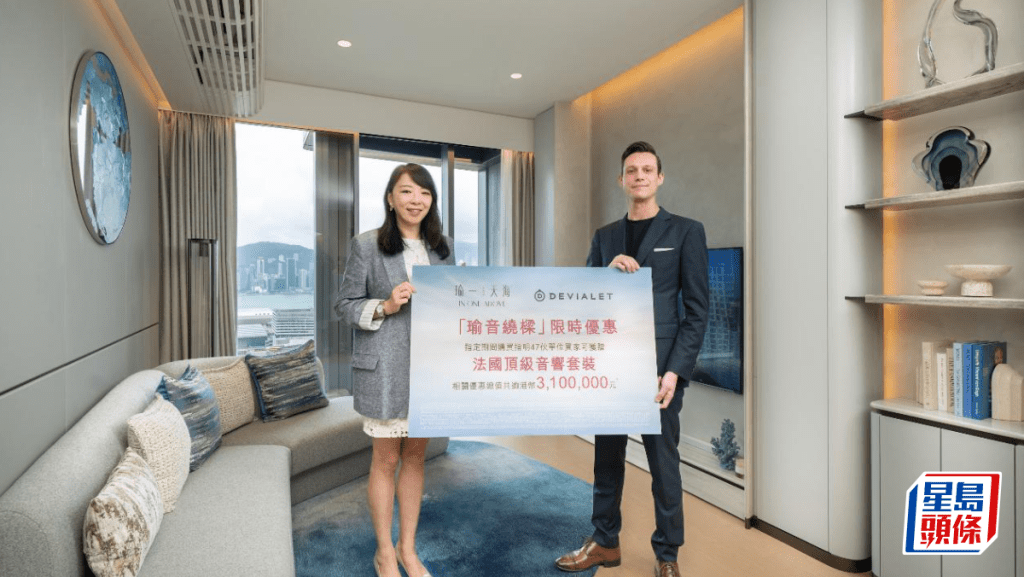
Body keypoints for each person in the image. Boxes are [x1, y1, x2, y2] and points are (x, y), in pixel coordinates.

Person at [555, 141, 709, 577]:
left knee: (663, 464)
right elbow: (584, 299)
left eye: (646, 169)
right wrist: (605, 275)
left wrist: (674, 371)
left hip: (660, 370)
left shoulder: (686, 231)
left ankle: (667, 554)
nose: (639, 176)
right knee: (606, 457)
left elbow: (697, 311)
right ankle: (605, 541)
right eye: (631, 170)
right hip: (611, 365)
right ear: (621, 180)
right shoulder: (604, 237)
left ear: (659, 177)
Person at [335, 163, 454, 577]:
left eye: (424, 193)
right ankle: (384, 552)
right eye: (406, 191)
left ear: (432, 201)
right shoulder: (366, 245)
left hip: (428, 368)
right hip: (385, 368)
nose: (416, 200)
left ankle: (408, 549)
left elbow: (455, 302)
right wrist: (385, 305)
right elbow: (344, 305)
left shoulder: (442, 248)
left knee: (416, 457)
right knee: (386, 459)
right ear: (390, 198)